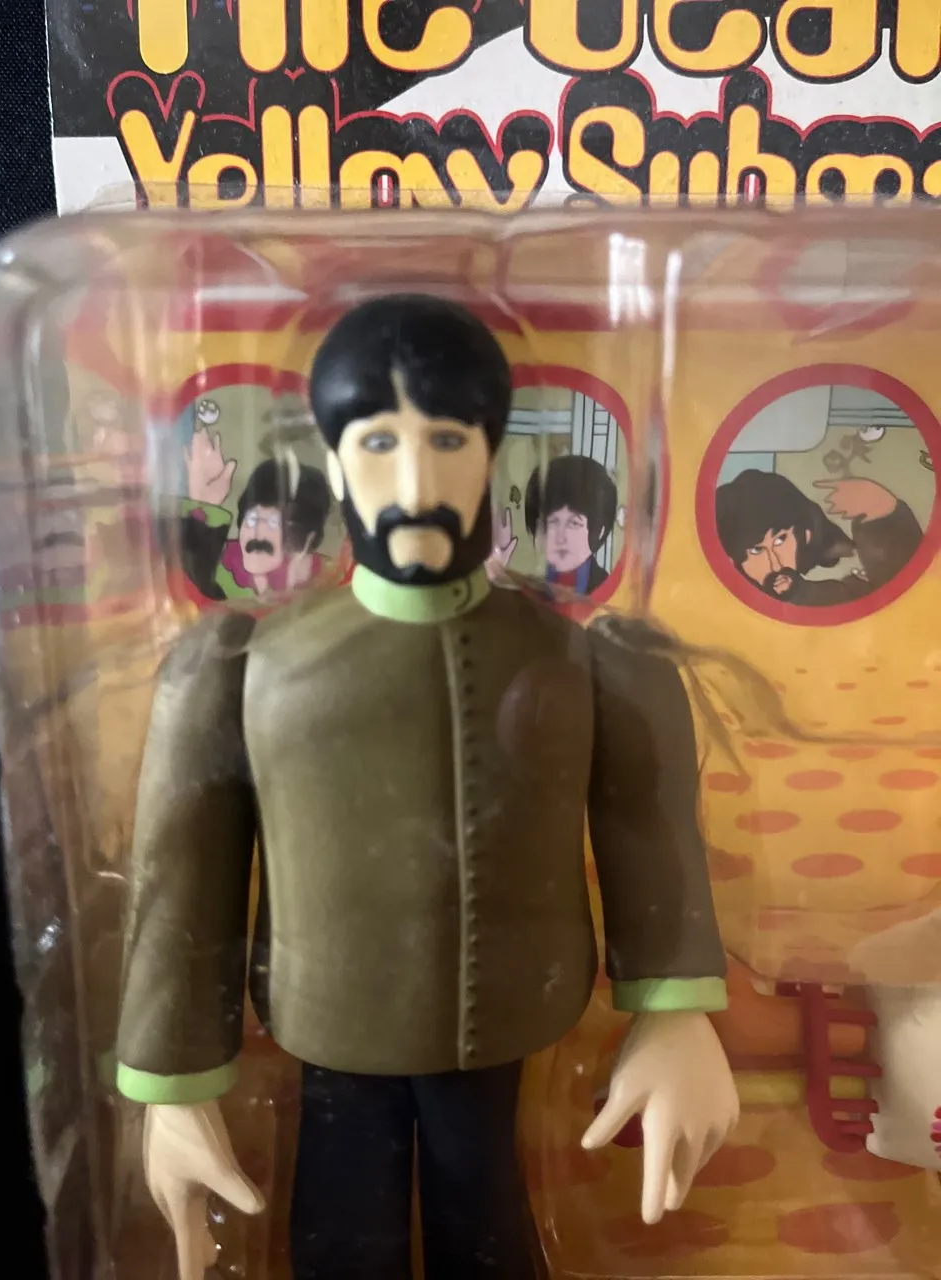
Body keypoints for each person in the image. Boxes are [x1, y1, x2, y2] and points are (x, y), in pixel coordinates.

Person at [116, 295, 738, 1280]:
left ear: (490, 453)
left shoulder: (581, 659)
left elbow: (643, 826)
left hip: (513, 1010)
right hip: (326, 1016)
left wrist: (674, 1011)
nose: (414, 482)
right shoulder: (246, 666)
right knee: (339, 1228)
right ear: (333, 462)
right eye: (378, 442)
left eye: (446, 440)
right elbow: (182, 878)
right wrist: (172, 1085)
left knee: (485, 1215)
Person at [715, 468, 923, 606]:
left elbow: (904, 602)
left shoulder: (825, 595)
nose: (775, 563)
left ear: (805, 535)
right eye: (757, 550)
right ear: (731, 557)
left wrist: (884, 514)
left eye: (780, 540)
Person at [178, 434, 332, 600]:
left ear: (304, 537)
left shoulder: (328, 581)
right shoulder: (220, 567)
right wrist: (204, 502)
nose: (257, 533)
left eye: (272, 523)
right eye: (251, 520)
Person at [519, 454, 619, 594]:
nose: (561, 538)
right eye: (553, 522)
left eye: (573, 523)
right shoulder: (528, 587)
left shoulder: (608, 589)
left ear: (599, 531)